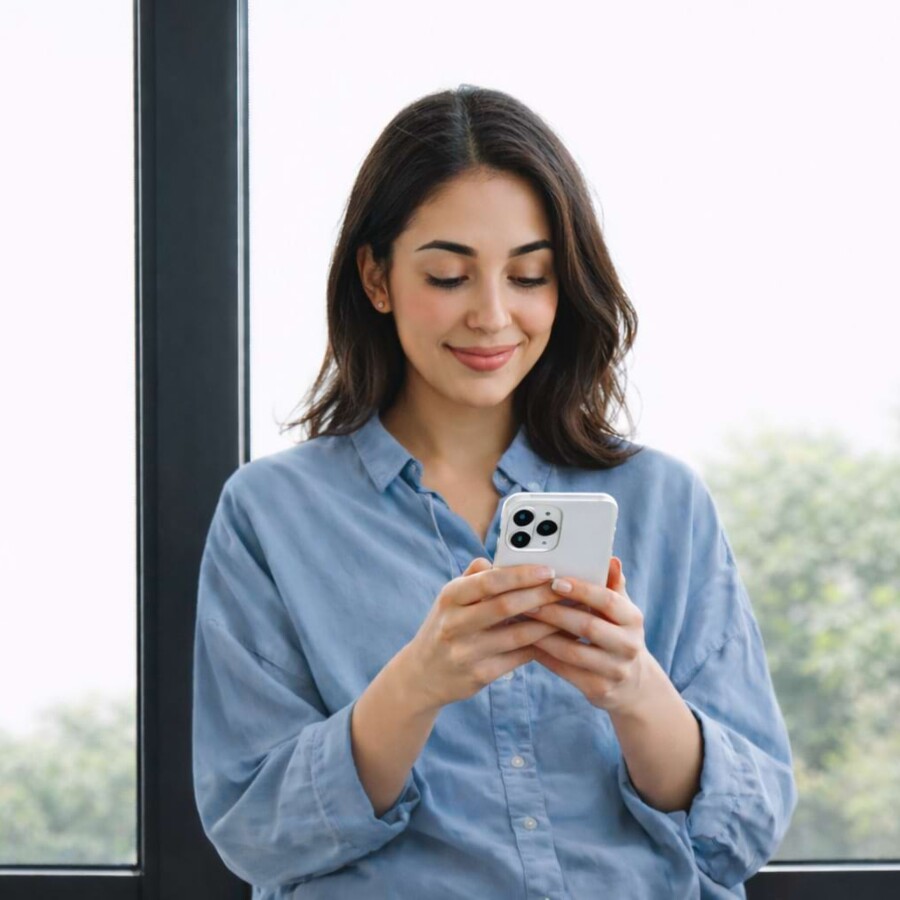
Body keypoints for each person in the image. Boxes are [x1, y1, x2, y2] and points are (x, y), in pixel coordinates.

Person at [192, 84, 797, 900]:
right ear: (376, 276)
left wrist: (634, 689)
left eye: (529, 275)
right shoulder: (271, 515)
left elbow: (745, 831)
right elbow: (255, 831)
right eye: (448, 275)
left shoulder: (664, 501)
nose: (492, 314)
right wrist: (417, 684)